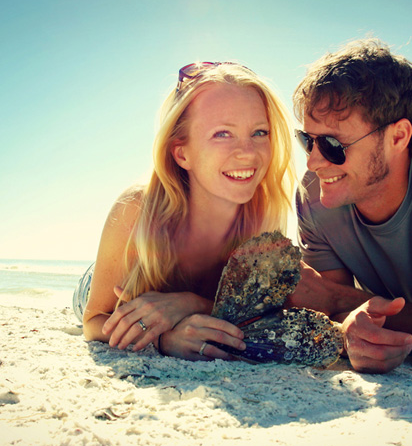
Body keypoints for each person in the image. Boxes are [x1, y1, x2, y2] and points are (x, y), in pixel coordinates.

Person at [75, 62, 295, 361]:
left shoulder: (262, 216)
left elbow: (257, 312)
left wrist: (189, 304)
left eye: (259, 132)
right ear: (182, 153)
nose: (247, 152)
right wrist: (164, 339)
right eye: (222, 134)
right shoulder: (136, 209)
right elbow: (93, 321)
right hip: (110, 288)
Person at [289, 38, 412, 373]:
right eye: (308, 141)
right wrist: (350, 329)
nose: (313, 163)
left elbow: (333, 298)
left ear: (398, 137)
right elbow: (327, 309)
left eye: (333, 144)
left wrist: (341, 302)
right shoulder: (315, 198)